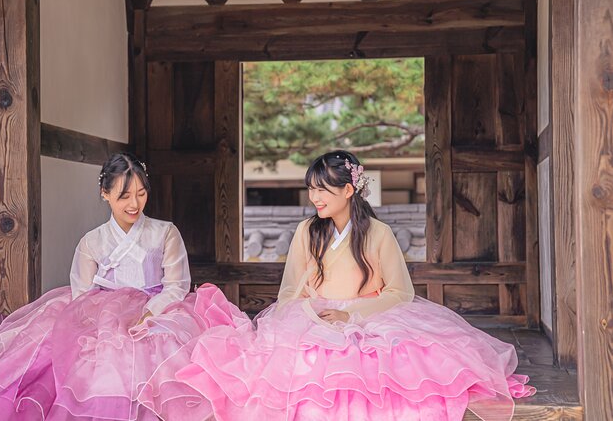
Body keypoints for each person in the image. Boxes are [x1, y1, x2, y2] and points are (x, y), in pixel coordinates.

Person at [176, 150, 535, 421]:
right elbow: (289, 291)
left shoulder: (379, 233)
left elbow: (401, 292)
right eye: (311, 190)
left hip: (370, 316)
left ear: (348, 190)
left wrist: (350, 315)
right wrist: (306, 316)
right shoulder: (306, 231)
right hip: (314, 316)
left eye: (322, 190)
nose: (314, 198)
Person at [0, 152, 249, 421]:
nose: (134, 204)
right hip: (100, 314)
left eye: (141, 194)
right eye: (124, 196)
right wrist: (101, 324)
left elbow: (177, 285)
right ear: (105, 194)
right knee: (71, 359)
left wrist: (149, 312)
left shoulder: (165, 233)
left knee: (163, 352)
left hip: (158, 309)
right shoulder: (92, 241)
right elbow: (81, 294)